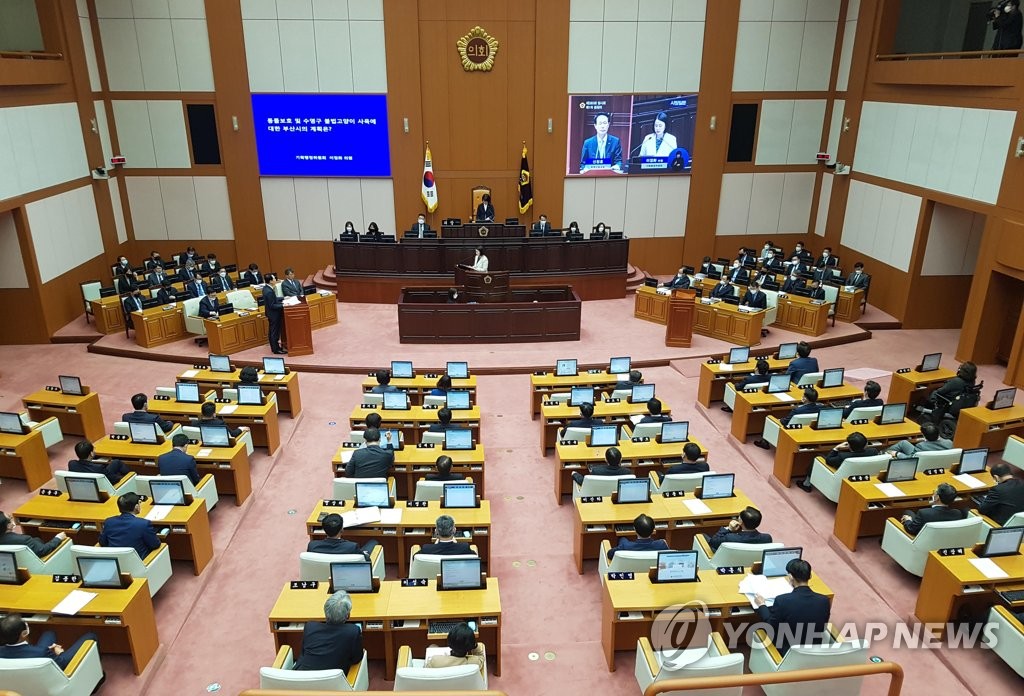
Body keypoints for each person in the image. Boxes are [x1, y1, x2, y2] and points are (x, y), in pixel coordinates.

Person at [753, 558, 830, 654]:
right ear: (810, 576)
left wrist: (762, 605)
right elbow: (822, 626)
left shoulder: (782, 600)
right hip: (813, 651)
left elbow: (770, 626)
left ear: (790, 577)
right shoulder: (824, 601)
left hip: (787, 652)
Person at [294, 591, 363, 671]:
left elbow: (303, 653)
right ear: (347, 615)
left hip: (301, 679)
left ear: (325, 612)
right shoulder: (353, 631)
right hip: (333, 681)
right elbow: (356, 659)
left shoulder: (310, 626)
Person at [0, 615, 98, 669]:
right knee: (91, 636)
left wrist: (47, 651)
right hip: (60, 666)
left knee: (49, 633)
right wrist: (59, 653)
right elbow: (62, 664)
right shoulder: (41, 653)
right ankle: (99, 676)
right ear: (24, 633)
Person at [99, 492, 161, 558]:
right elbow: (155, 545)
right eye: (139, 503)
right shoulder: (143, 524)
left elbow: (102, 542)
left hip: (116, 560)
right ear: (136, 507)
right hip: (139, 562)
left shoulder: (109, 522)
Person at [899, 483, 966, 535]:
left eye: (935, 492)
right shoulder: (957, 514)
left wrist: (908, 520)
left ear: (937, 497)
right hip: (943, 539)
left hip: (922, 540)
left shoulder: (923, 513)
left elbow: (911, 529)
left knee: (908, 512)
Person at [307, 513, 376, 558]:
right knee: (373, 542)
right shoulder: (352, 547)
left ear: (324, 530)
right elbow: (365, 559)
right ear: (342, 529)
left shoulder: (312, 546)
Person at [0, 511, 67, 557]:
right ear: (8, 525)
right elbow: (43, 550)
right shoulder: (24, 540)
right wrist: (58, 538)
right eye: (10, 517)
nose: (12, 518)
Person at [707, 506, 773, 551]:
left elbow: (713, 542)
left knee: (702, 536)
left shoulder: (730, 538)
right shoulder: (767, 538)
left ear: (741, 521)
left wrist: (728, 529)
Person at [885, 422, 952, 459]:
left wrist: (897, 454)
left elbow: (910, 459)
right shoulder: (949, 443)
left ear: (924, 436)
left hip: (924, 460)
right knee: (904, 443)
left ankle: (884, 454)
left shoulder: (921, 446)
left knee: (902, 444)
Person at [263, 279, 286, 354]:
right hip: (274, 315)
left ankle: (274, 347)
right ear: (270, 281)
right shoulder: (269, 291)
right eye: (274, 279)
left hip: (271, 314)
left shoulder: (266, 288)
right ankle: (276, 349)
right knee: (274, 333)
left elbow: (274, 299)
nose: (275, 280)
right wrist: (284, 305)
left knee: (272, 332)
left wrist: (284, 298)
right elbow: (272, 305)